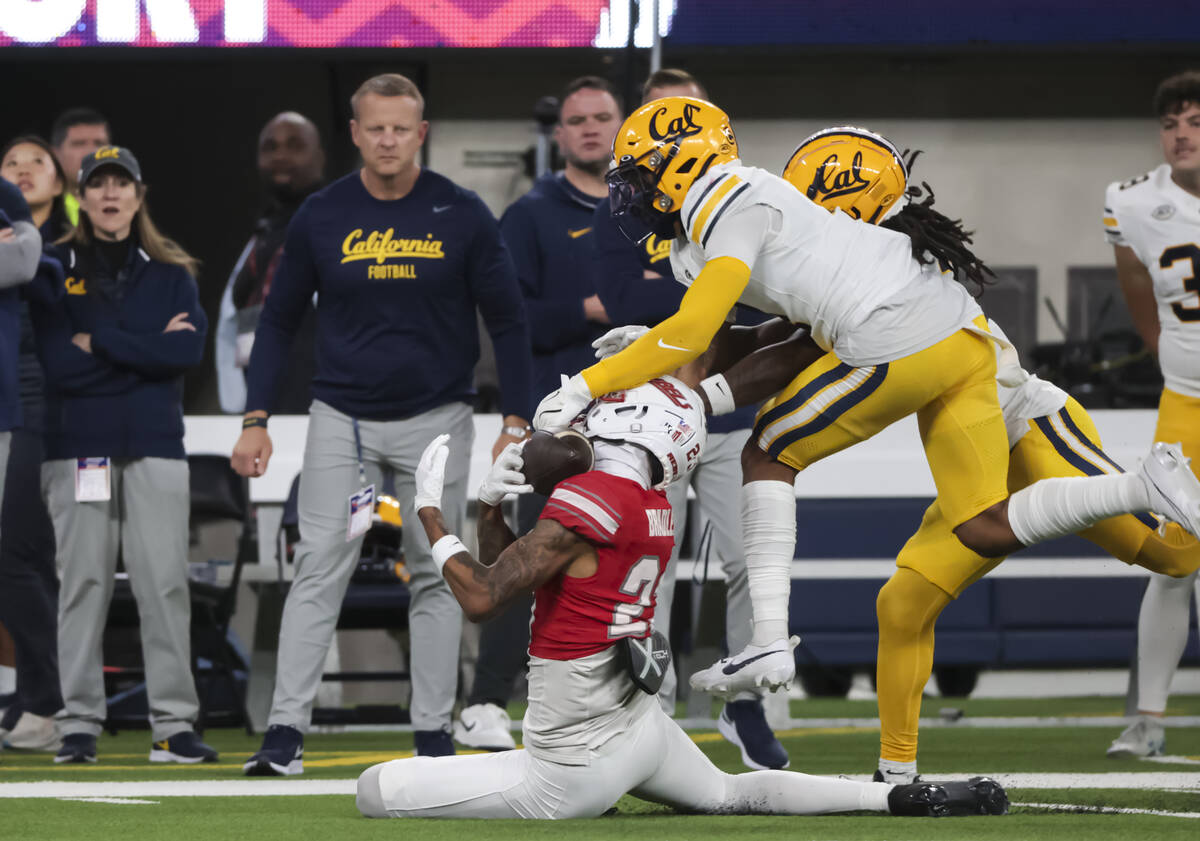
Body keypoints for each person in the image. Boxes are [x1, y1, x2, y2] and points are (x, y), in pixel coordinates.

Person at [533, 96, 1200, 700]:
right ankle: (1144, 485)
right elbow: (762, 331)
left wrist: (583, 388)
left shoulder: (727, 197)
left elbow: (705, 331)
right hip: (951, 336)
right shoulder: (761, 217)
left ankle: (768, 640)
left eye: (645, 174)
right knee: (981, 524)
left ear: (684, 162)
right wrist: (660, 348)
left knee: (768, 451)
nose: (635, 193)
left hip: (903, 336)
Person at [662, 125, 1200, 784]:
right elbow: (774, 335)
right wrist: (669, 346)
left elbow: (786, 351)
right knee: (902, 604)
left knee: (1175, 553)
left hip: (1030, 430)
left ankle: (1145, 488)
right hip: (970, 458)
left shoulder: (876, 269)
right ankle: (896, 773)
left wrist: (696, 386)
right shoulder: (862, 261)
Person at [354, 375, 1008, 820]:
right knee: (729, 791)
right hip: (636, 728)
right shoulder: (652, 502)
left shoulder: (592, 498)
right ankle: (889, 800)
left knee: (373, 788)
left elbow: (481, 593)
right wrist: (494, 505)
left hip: (570, 767)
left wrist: (431, 513)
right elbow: (525, 565)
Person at [231, 73, 533, 772]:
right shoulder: (322, 213)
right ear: (357, 133)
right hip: (344, 420)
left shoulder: (461, 212)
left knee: (435, 571)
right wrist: (256, 416)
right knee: (319, 569)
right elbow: (276, 321)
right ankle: (284, 735)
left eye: (402, 127)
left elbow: (509, 321)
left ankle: (431, 731)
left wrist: (515, 417)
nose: (389, 139)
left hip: (440, 419)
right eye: (376, 127)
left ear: (420, 133)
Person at [588, 68, 791, 770]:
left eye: (691, 118)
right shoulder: (626, 207)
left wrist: (696, 319)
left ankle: (743, 702)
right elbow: (621, 297)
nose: (679, 136)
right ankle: (654, 705)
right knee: (654, 563)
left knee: (750, 560)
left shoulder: (747, 198)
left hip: (731, 409)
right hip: (651, 414)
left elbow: (763, 308)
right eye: (663, 120)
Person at [452, 76, 622, 753]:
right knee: (531, 558)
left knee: (623, 559)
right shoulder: (530, 215)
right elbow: (507, 320)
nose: (589, 129)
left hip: (641, 416)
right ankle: (485, 700)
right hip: (560, 416)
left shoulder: (653, 210)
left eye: (602, 117)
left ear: (622, 124)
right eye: (577, 119)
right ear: (559, 135)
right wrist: (520, 413)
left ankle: (611, 705)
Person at [30, 146, 215, 764]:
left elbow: (185, 358)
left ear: (140, 195)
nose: (111, 195)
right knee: (81, 585)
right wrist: (144, 352)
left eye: (122, 184)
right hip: (78, 447)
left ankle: (174, 725)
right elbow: (59, 365)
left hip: (155, 448)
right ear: (81, 196)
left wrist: (102, 341)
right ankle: (78, 722)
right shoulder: (52, 265)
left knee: (166, 586)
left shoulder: (172, 272)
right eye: (98, 185)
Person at [1104, 70, 1200, 759]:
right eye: (1171, 123)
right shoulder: (1133, 202)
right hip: (1187, 401)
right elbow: (1136, 281)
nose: (1181, 134)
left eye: (1195, 121)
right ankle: (1148, 719)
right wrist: (1164, 352)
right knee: (1172, 562)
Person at [0, 136, 71, 751]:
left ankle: (47, 704)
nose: (23, 172)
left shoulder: (71, 248)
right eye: (11, 165)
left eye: (37, 164)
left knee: (20, 556)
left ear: (59, 182)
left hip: (40, 410)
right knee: (16, 561)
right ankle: (31, 695)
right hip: (5, 406)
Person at [216, 112, 326, 414]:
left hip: (317, 408)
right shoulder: (264, 231)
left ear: (319, 157)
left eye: (295, 145)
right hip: (260, 407)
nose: (280, 156)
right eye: (270, 147)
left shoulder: (339, 223)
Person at [49, 108, 110, 226]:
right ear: (54, 154)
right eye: (79, 144)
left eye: (99, 144)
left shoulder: (132, 210)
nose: (92, 152)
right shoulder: (38, 210)